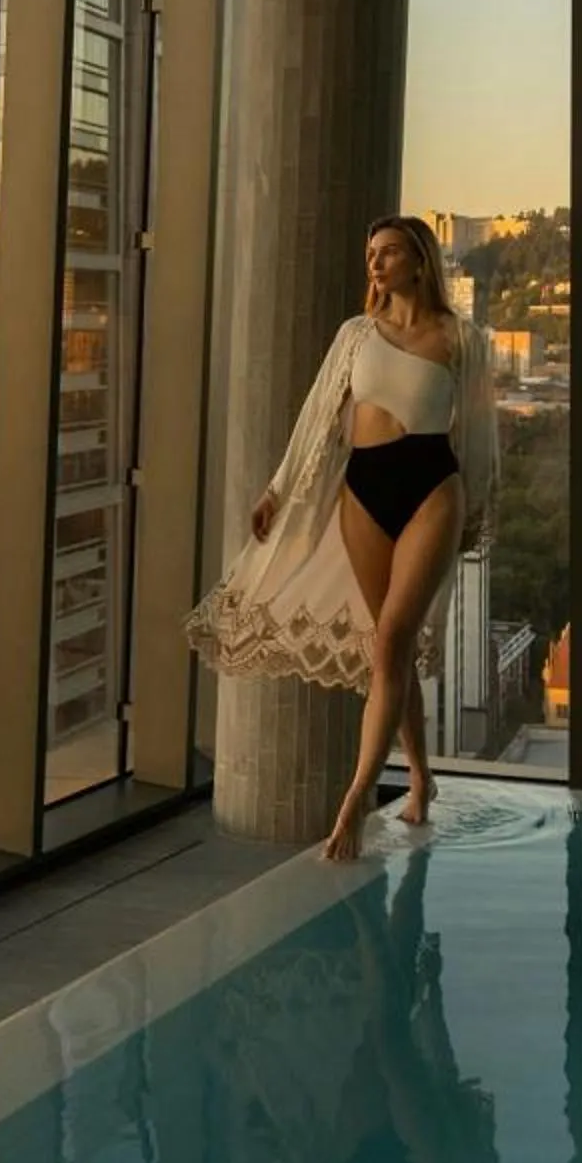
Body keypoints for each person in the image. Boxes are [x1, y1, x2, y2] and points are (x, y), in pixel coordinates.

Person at [186, 215, 499, 860]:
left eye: (388, 252)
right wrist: (278, 488)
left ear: (419, 259)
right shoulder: (356, 335)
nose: (376, 265)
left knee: (389, 639)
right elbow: (317, 419)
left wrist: (475, 515)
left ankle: (356, 799)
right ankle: (421, 778)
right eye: (370, 255)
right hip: (364, 489)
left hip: (432, 490)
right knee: (394, 649)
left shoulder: (462, 340)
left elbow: (477, 439)